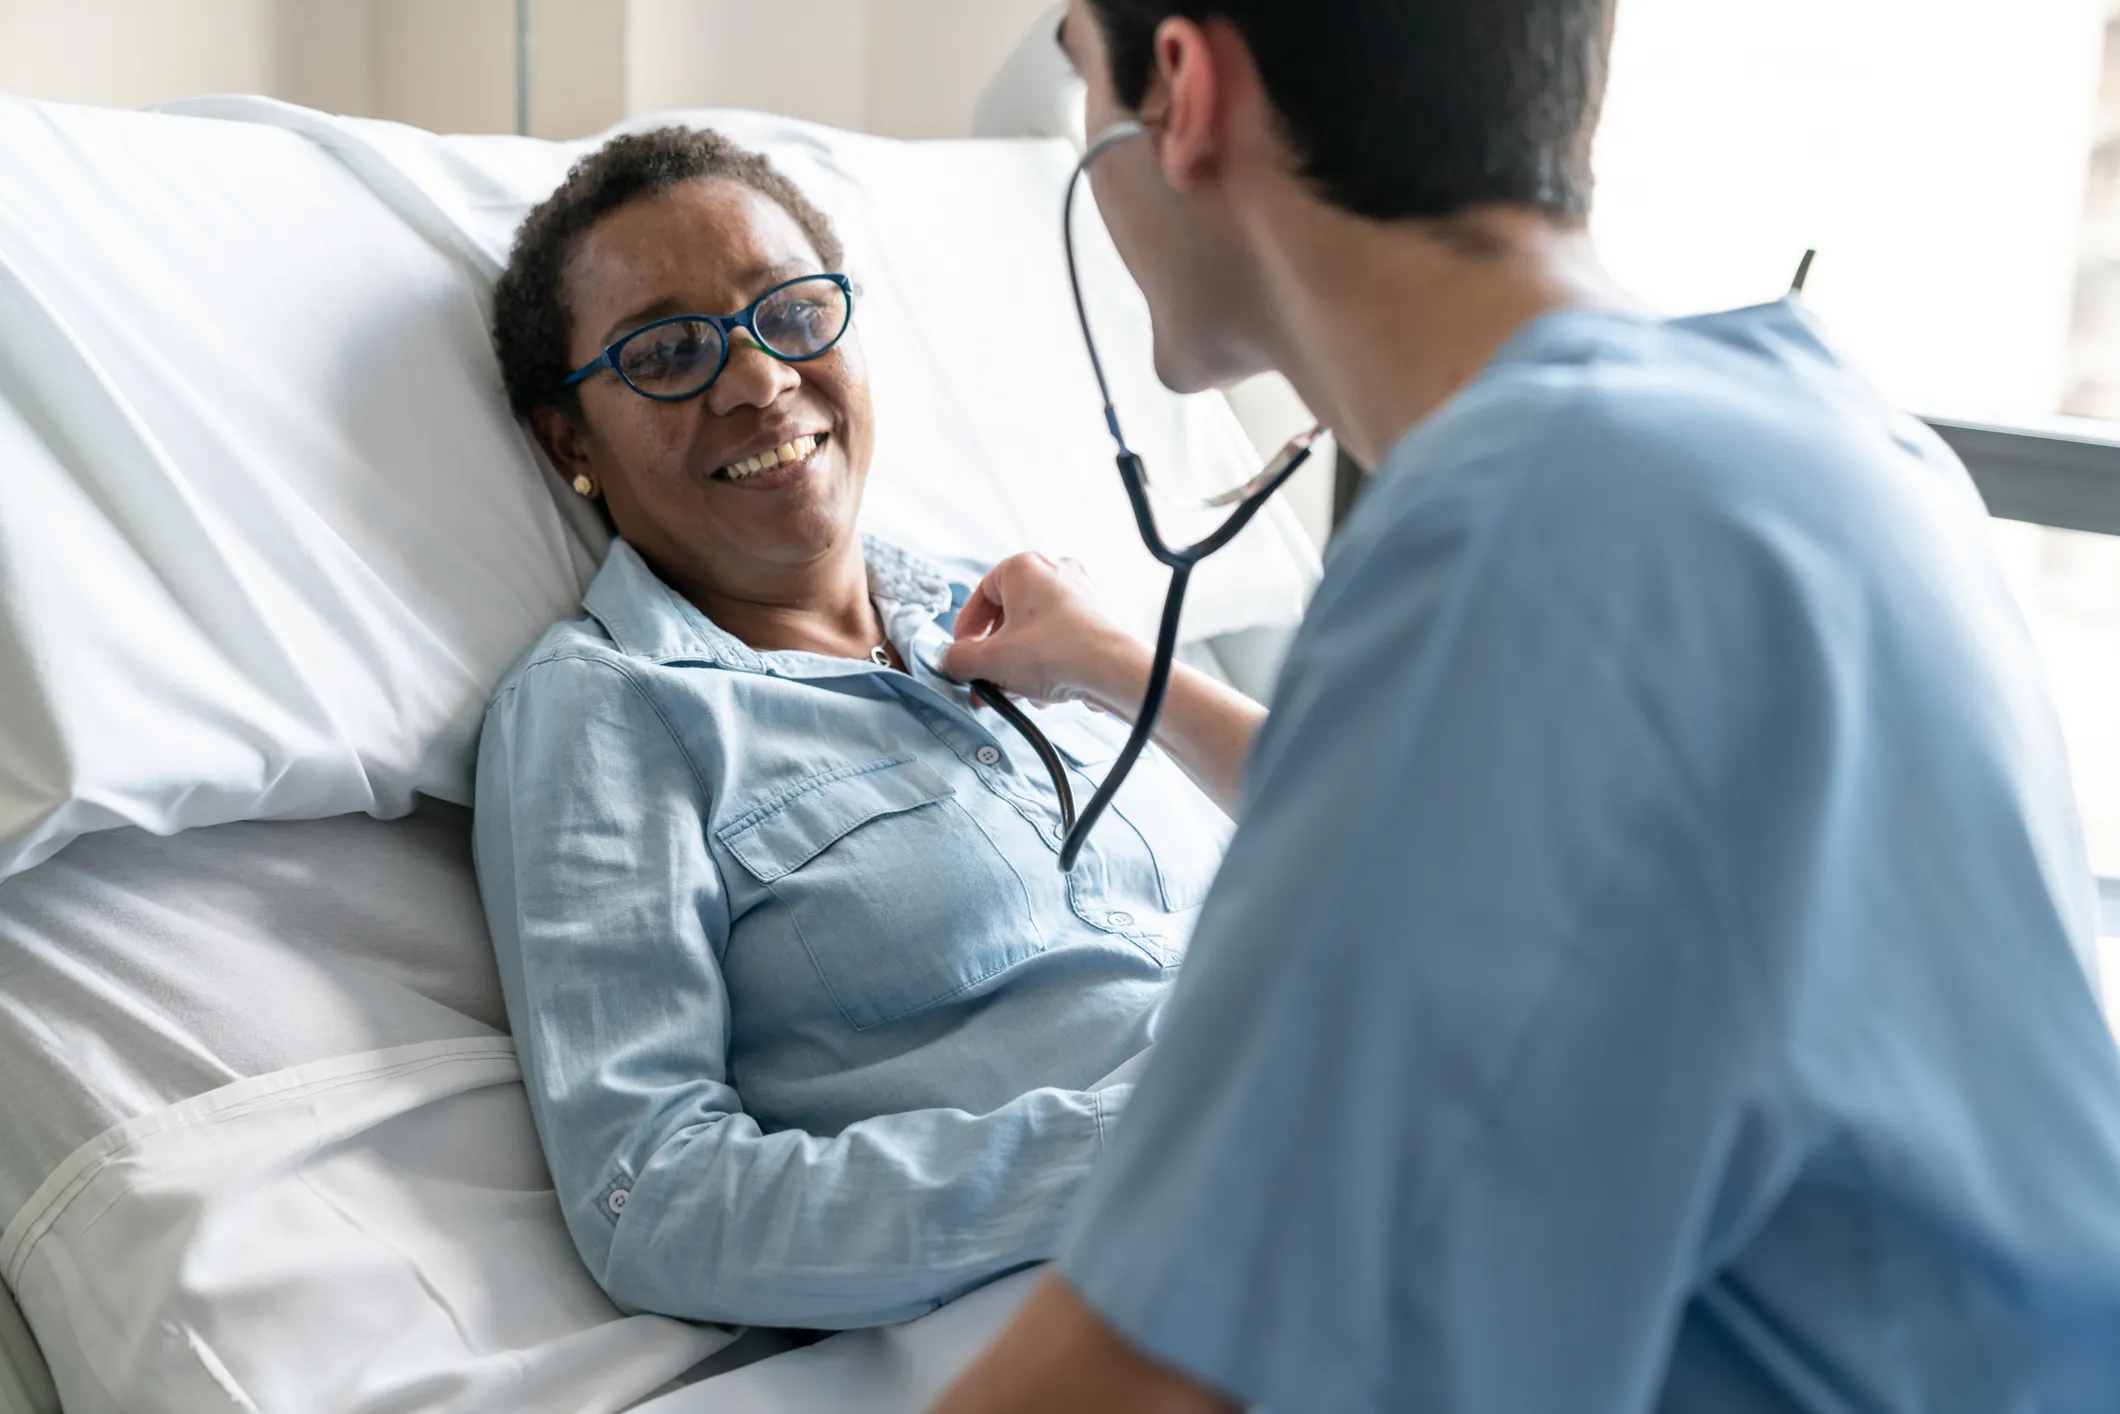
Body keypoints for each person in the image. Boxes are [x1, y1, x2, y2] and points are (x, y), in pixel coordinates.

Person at [935, 2, 2120, 1410]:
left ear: (1181, 92)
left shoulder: (1535, 530)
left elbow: (1146, 1370)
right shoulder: (1817, 442)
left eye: (1082, 74)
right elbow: (1488, 855)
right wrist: (1118, 664)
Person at [471, 127, 1249, 1330]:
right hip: (1188, 1265)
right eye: (671, 351)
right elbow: (657, 1197)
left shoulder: (1020, 612)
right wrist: (1163, 1142)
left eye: (788, 314)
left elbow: (1364, 841)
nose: (756, 381)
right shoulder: (611, 708)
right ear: (569, 440)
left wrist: (1113, 663)